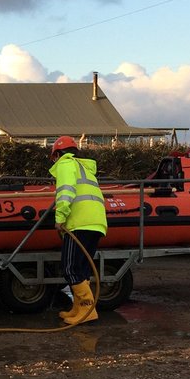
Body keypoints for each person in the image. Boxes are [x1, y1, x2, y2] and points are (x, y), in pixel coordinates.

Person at [49, 136, 108, 325]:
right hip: (96, 222)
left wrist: (60, 218)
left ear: (58, 154)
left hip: (80, 222)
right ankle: (79, 308)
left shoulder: (66, 165)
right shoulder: (85, 168)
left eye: (53, 158)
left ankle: (88, 310)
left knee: (69, 267)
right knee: (81, 268)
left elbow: (66, 191)